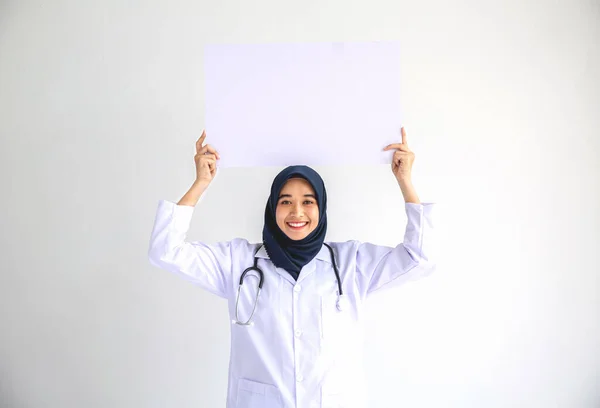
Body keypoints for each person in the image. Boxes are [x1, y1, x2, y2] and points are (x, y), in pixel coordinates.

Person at [148, 127, 436, 408]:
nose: (297, 212)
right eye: (286, 201)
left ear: (321, 209)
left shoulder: (351, 264)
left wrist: (405, 181)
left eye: (308, 202)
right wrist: (201, 183)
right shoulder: (237, 263)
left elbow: (420, 258)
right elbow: (166, 251)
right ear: (273, 207)